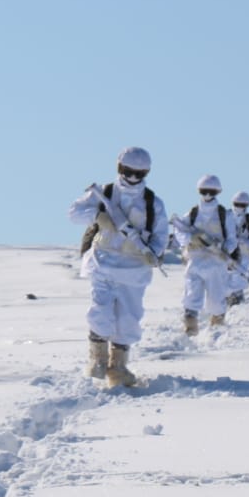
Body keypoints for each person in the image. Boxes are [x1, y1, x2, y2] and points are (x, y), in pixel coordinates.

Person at [67, 147, 168, 387]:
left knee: (128, 318)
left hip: (134, 269)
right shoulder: (104, 193)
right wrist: (97, 216)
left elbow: (161, 235)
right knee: (100, 311)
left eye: (138, 174)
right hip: (102, 262)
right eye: (127, 171)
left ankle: (119, 368)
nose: (132, 178)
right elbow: (74, 213)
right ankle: (97, 360)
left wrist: (153, 253)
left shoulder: (153, 203)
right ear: (119, 167)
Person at [171, 174, 240, 335]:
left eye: (212, 192)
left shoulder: (225, 215)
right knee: (191, 297)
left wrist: (224, 250)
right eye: (204, 191)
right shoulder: (192, 213)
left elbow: (232, 239)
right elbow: (179, 230)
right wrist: (190, 239)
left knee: (216, 302)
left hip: (216, 264)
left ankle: (216, 334)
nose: (208, 195)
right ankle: (190, 331)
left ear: (218, 192)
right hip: (195, 262)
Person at [226, 190, 249, 306]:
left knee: (235, 303)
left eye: (242, 205)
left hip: (240, 270)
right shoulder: (223, 218)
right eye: (237, 204)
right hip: (222, 266)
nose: (239, 207)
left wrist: (246, 243)